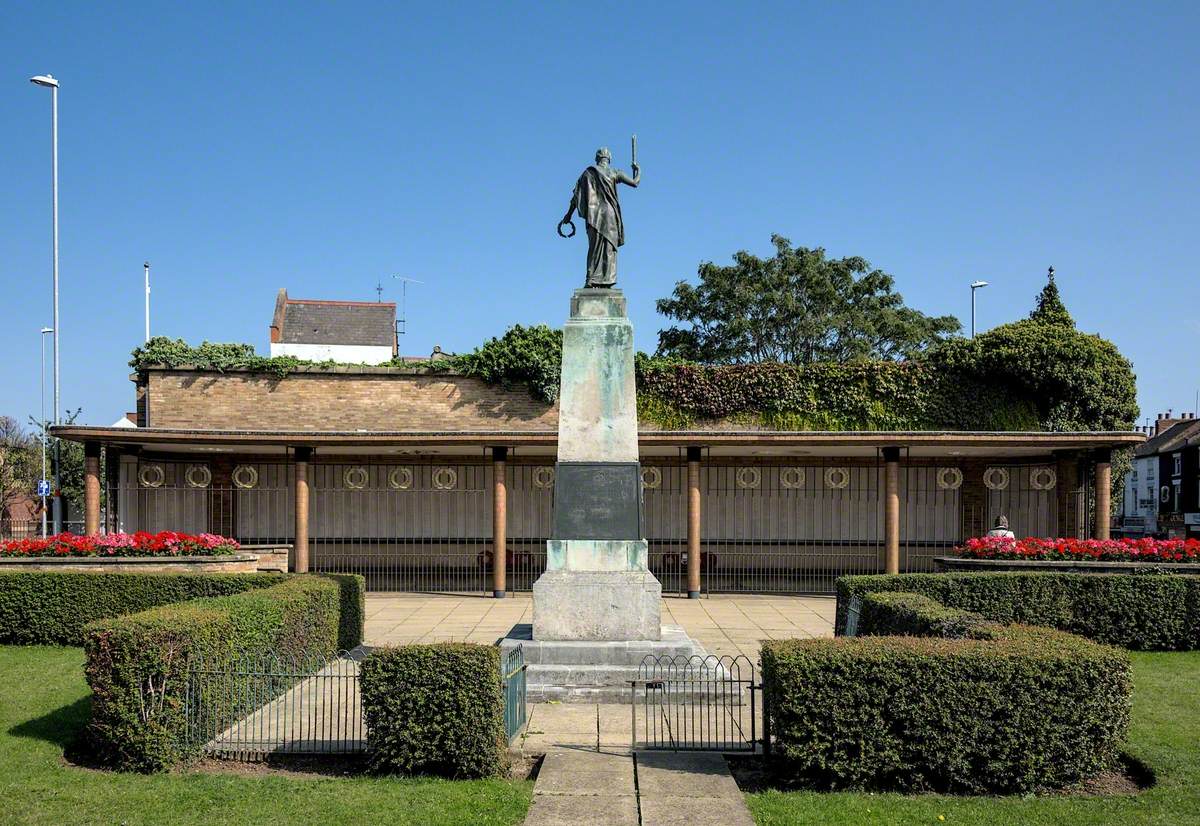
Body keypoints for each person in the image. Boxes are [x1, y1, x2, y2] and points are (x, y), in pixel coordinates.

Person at [558, 147, 640, 288]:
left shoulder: (588, 173)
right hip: (609, 214)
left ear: (597, 159)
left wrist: (568, 215)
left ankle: (590, 279)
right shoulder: (614, 172)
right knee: (608, 248)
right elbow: (635, 182)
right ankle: (607, 280)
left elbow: (576, 196)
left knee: (594, 248)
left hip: (594, 215)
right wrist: (638, 169)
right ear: (609, 159)